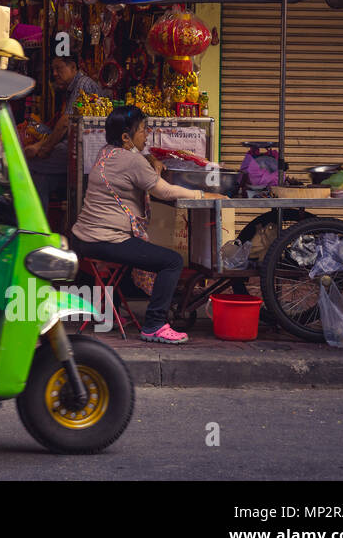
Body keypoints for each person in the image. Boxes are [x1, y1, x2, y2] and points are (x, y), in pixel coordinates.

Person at [71, 105, 221, 344]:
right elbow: (166, 191)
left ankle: (113, 311)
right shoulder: (132, 161)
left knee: (139, 250)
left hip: (84, 239)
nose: (147, 133)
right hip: (105, 240)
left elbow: (138, 166)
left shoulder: (106, 152)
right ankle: (154, 325)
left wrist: (149, 159)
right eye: (142, 129)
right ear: (125, 137)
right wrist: (204, 196)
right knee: (171, 262)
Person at [25, 55, 109, 206]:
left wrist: (44, 148)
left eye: (59, 68)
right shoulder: (74, 87)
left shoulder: (82, 84)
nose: (55, 73)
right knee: (40, 179)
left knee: (26, 161)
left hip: (84, 151)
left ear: (73, 68)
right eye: (53, 70)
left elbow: (65, 123)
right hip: (77, 146)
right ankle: (38, 226)